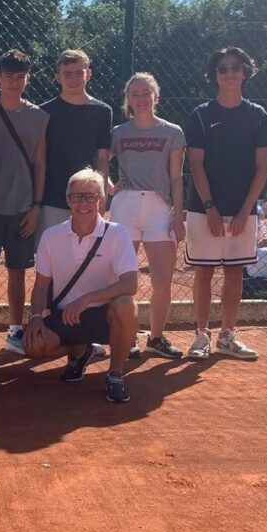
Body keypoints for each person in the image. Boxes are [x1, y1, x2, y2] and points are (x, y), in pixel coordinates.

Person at [184, 46, 267, 361]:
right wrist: (210, 208)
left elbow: (262, 167)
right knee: (204, 274)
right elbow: (196, 165)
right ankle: (200, 336)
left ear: (245, 72)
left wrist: (244, 210)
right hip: (203, 209)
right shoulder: (201, 115)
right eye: (223, 68)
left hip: (242, 210)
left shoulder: (258, 115)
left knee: (235, 273)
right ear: (215, 76)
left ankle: (228, 336)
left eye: (235, 67)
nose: (230, 73)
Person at [23, 169, 139, 403]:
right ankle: (80, 350)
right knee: (33, 348)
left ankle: (115, 374)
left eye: (90, 196)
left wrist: (87, 299)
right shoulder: (51, 236)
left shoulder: (118, 233)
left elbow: (131, 283)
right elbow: (41, 286)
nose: (83, 203)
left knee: (127, 304)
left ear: (101, 199)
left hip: (103, 316)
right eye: (77, 196)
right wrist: (36, 316)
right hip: (66, 316)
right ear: (68, 200)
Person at [0, 49, 48, 355]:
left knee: (18, 271)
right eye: (8, 76)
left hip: (22, 209)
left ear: (27, 79)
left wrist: (36, 206)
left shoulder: (39, 116)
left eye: (20, 77)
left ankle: (15, 330)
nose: (14, 82)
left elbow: (41, 164)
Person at [108, 72, 186, 358]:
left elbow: (177, 178)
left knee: (162, 280)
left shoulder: (173, 132)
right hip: (125, 205)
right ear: (128, 99)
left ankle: (155, 338)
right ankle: (127, 337)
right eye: (134, 94)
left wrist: (178, 215)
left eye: (145, 93)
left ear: (156, 96)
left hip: (159, 208)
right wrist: (109, 187)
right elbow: (100, 163)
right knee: (124, 278)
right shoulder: (118, 132)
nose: (140, 99)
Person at [39, 49, 112, 240]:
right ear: (57, 77)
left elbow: (103, 158)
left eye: (79, 73)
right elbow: (39, 159)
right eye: (67, 74)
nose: (74, 79)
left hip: (88, 198)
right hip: (52, 198)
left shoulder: (102, 111)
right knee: (52, 257)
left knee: (87, 256)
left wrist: (101, 198)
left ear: (88, 74)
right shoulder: (43, 112)